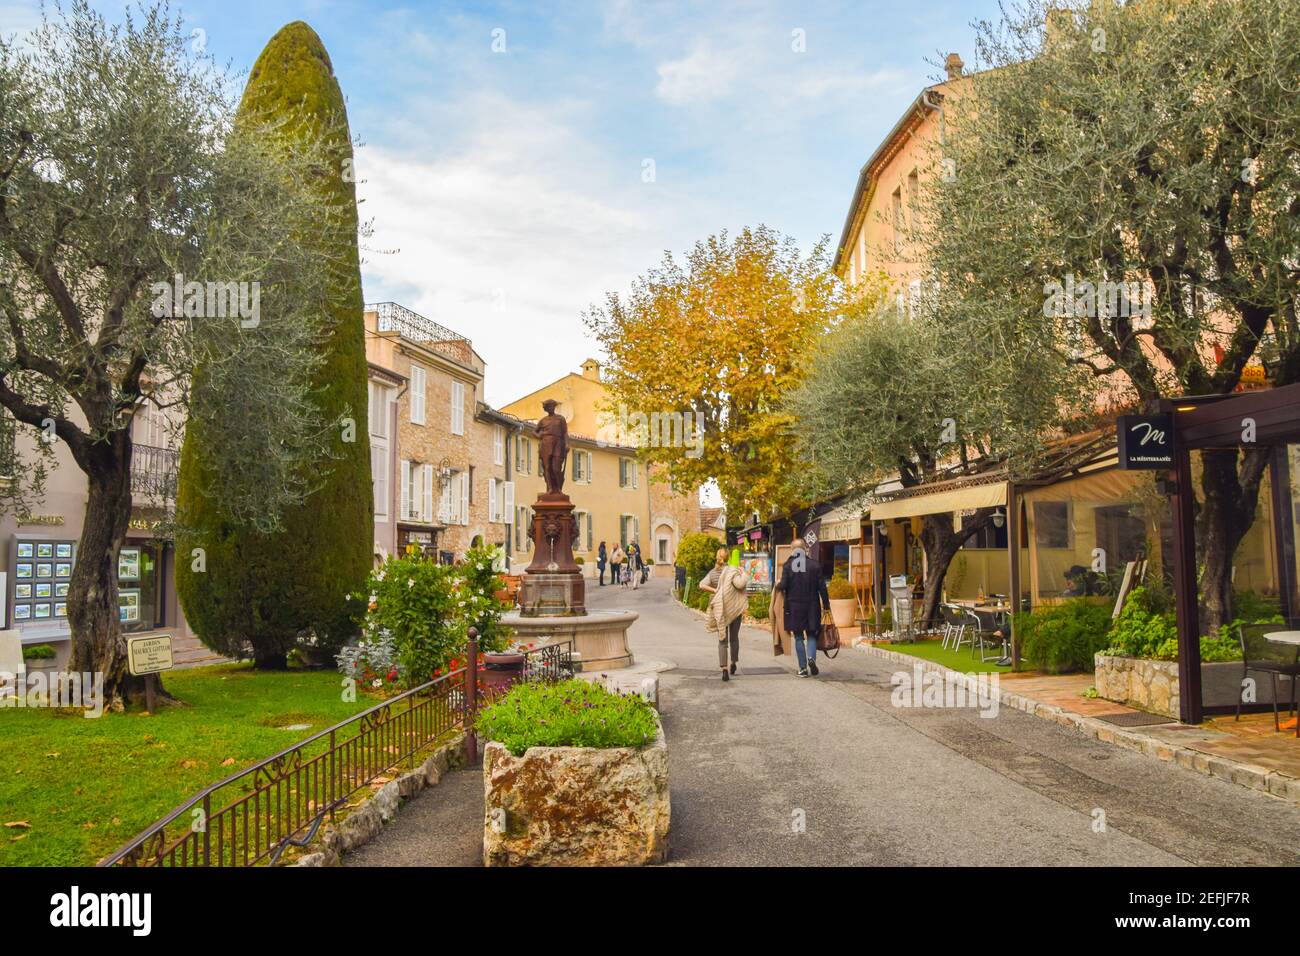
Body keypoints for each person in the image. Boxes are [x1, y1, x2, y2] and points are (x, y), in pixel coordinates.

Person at [775, 538, 830, 677]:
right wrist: (827, 605)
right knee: (811, 633)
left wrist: (777, 584)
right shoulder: (815, 565)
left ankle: (803, 668)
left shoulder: (788, 565)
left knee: (799, 636)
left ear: (792, 550)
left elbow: (784, 585)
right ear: (805, 549)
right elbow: (822, 588)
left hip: (794, 606)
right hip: (812, 605)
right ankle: (811, 658)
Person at [702, 547, 750, 681]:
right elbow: (740, 584)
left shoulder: (712, 573)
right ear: (728, 557)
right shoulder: (732, 571)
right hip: (734, 609)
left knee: (722, 639)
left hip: (720, 610)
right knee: (734, 638)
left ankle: (724, 670)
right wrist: (746, 571)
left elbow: (701, 585)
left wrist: (715, 590)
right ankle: (733, 662)